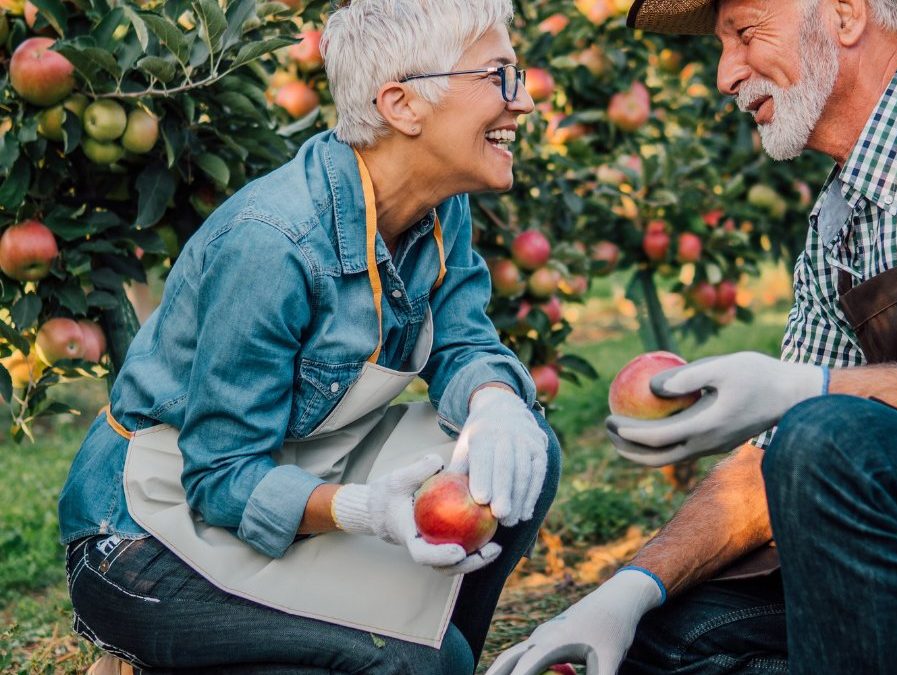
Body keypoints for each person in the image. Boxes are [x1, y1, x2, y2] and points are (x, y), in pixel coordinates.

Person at [490, 0, 897, 672]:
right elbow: (767, 462)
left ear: (847, 15)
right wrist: (631, 588)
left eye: (744, 35)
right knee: (659, 640)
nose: (724, 75)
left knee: (831, 434)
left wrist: (811, 392)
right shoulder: (836, 224)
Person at [59, 1, 559, 672]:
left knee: (524, 458)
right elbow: (220, 475)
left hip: (299, 460)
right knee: (408, 664)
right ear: (402, 105)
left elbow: (461, 338)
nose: (523, 101)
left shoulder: (438, 201)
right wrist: (362, 510)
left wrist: (495, 397)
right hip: (145, 528)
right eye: (498, 75)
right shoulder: (274, 243)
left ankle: (436, 644)